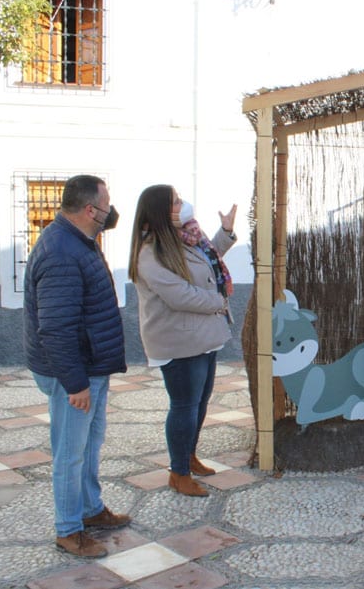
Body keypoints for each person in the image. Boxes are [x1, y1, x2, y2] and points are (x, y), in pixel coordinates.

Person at [24, 174, 130, 558]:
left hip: (91, 366)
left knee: (89, 445)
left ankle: (90, 509)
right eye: (105, 204)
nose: (109, 212)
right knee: (70, 453)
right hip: (73, 374)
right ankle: (69, 529)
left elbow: (110, 218)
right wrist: (75, 384)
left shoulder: (78, 237)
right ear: (89, 210)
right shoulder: (61, 253)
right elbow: (55, 328)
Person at [128, 185, 237, 497]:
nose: (182, 204)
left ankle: (188, 456)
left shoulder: (178, 239)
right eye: (175, 201)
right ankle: (178, 473)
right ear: (161, 210)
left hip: (202, 336)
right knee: (184, 406)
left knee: (198, 404)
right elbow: (179, 295)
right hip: (179, 340)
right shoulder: (150, 252)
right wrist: (218, 300)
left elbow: (206, 261)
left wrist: (225, 232)